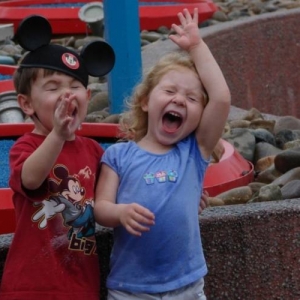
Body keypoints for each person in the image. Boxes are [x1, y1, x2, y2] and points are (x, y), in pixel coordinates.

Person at [94, 7, 231, 300]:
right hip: (131, 288)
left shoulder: (194, 151)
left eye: (192, 98)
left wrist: (197, 47)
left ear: (200, 115)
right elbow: (101, 207)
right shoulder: (119, 156)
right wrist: (119, 212)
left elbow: (221, 97)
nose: (180, 99)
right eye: (170, 91)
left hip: (186, 285)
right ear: (145, 101)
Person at [0, 15, 115, 300]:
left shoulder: (94, 151)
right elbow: (30, 178)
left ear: (88, 96)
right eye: (53, 88)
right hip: (31, 285)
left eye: (75, 87)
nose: (67, 95)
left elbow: (114, 196)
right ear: (26, 103)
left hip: (82, 284)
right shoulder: (25, 147)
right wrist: (58, 136)